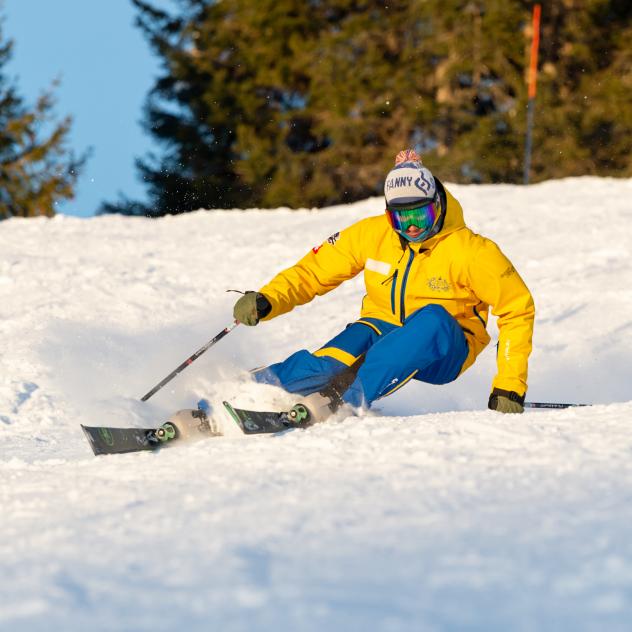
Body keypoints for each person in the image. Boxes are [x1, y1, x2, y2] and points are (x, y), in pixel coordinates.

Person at [233, 149, 535, 418]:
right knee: (331, 360)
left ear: (438, 204)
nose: (413, 225)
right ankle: (250, 393)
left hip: (446, 346)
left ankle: (345, 401)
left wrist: (509, 386)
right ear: (390, 216)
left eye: (422, 213)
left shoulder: (472, 251)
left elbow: (517, 311)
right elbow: (314, 271)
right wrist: (269, 298)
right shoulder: (373, 234)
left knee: (432, 319)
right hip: (382, 328)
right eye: (402, 218)